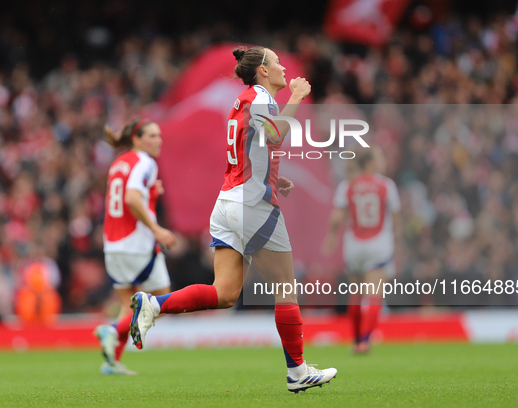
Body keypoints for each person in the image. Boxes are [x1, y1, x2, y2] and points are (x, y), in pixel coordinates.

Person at [129, 46, 337, 393]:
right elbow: (275, 135)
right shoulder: (261, 99)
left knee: (224, 293)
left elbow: (249, 152)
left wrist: (273, 177)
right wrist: (297, 96)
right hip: (253, 206)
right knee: (286, 288)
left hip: (228, 202)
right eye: (277, 63)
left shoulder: (241, 101)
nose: (284, 68)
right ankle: (298, 372)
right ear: (263, 72)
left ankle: (153, 305)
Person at [94, 119, 176, 375]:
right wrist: (157, 229)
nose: (158, 140)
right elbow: (131, 198)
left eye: (159, 135)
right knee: (163, 300)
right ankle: (113, 330)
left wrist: (152, 192)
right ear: (137, 139)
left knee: (127, 304)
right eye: (151, 135)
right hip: (138, 245)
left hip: (113, 245)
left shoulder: (119, 163)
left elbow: (124, 196)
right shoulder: (145, 162)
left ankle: (111, 362)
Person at [323, 147, 401, 354]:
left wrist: (330, 238)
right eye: (380, 157)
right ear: (369, 163)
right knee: (374, 294)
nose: (383, 161)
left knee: (356, 294)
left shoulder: (347, 185)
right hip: (379, 245)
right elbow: (394, 220)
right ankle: (365, 340)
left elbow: (337, 217)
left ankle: (357, 339)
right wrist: (396, 242)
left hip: (354, 246)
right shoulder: (386, 185)